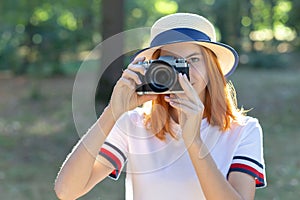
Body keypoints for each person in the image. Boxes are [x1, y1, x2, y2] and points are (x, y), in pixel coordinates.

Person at [54, 13, 266, 200]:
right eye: (172, 62)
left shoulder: (243, 130)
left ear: (212, 69)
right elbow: (67, 191)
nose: (185, 71)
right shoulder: (133, 124)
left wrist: (194, 140)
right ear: (155, 69)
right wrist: (112, 112)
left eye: (193, 59)